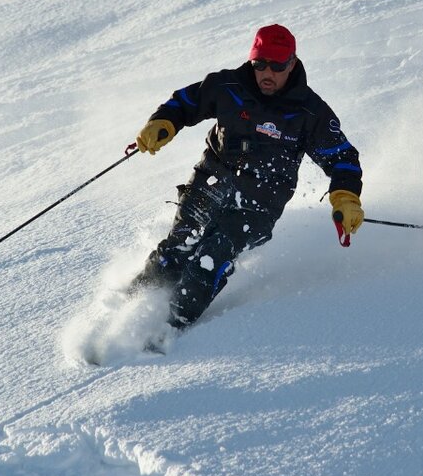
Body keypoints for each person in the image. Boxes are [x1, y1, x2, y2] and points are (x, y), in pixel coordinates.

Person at [128, 24, 364, 332]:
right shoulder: (228, 87)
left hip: (260, 203)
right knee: (178, 247)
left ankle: (166, 330)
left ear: (292, 63)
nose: (267, 73)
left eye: (277, 65)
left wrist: (345, 198)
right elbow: (185, 103)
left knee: (210, 258)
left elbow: (343, 159)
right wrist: (162, 123)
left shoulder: (310, 112)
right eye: (259, 64)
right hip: (212, 181)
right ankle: (127, 307)